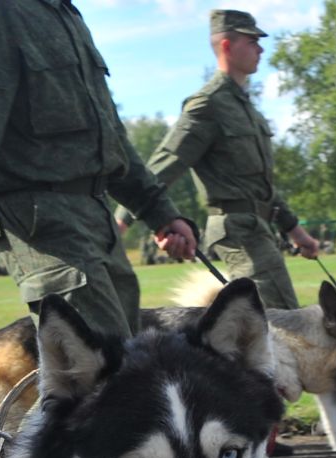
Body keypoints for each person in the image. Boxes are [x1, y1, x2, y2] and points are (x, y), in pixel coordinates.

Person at [0, 0, 198, 342]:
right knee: (100, 369)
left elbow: (110, 137)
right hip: (42, 221)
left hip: (96, 217)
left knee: (121, 364)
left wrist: (158, 211)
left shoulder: (64, 15)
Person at [130, 9, 320, 308]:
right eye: (252, 41)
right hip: (237, 229)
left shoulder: (246, 109)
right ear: (227, 46)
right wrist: (121, 221)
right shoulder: (209, 104)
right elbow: (167, 160)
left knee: (268, 323)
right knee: (282, 320)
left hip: (258, 226)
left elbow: (262, 186)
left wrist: (296, 232)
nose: (260, 48)